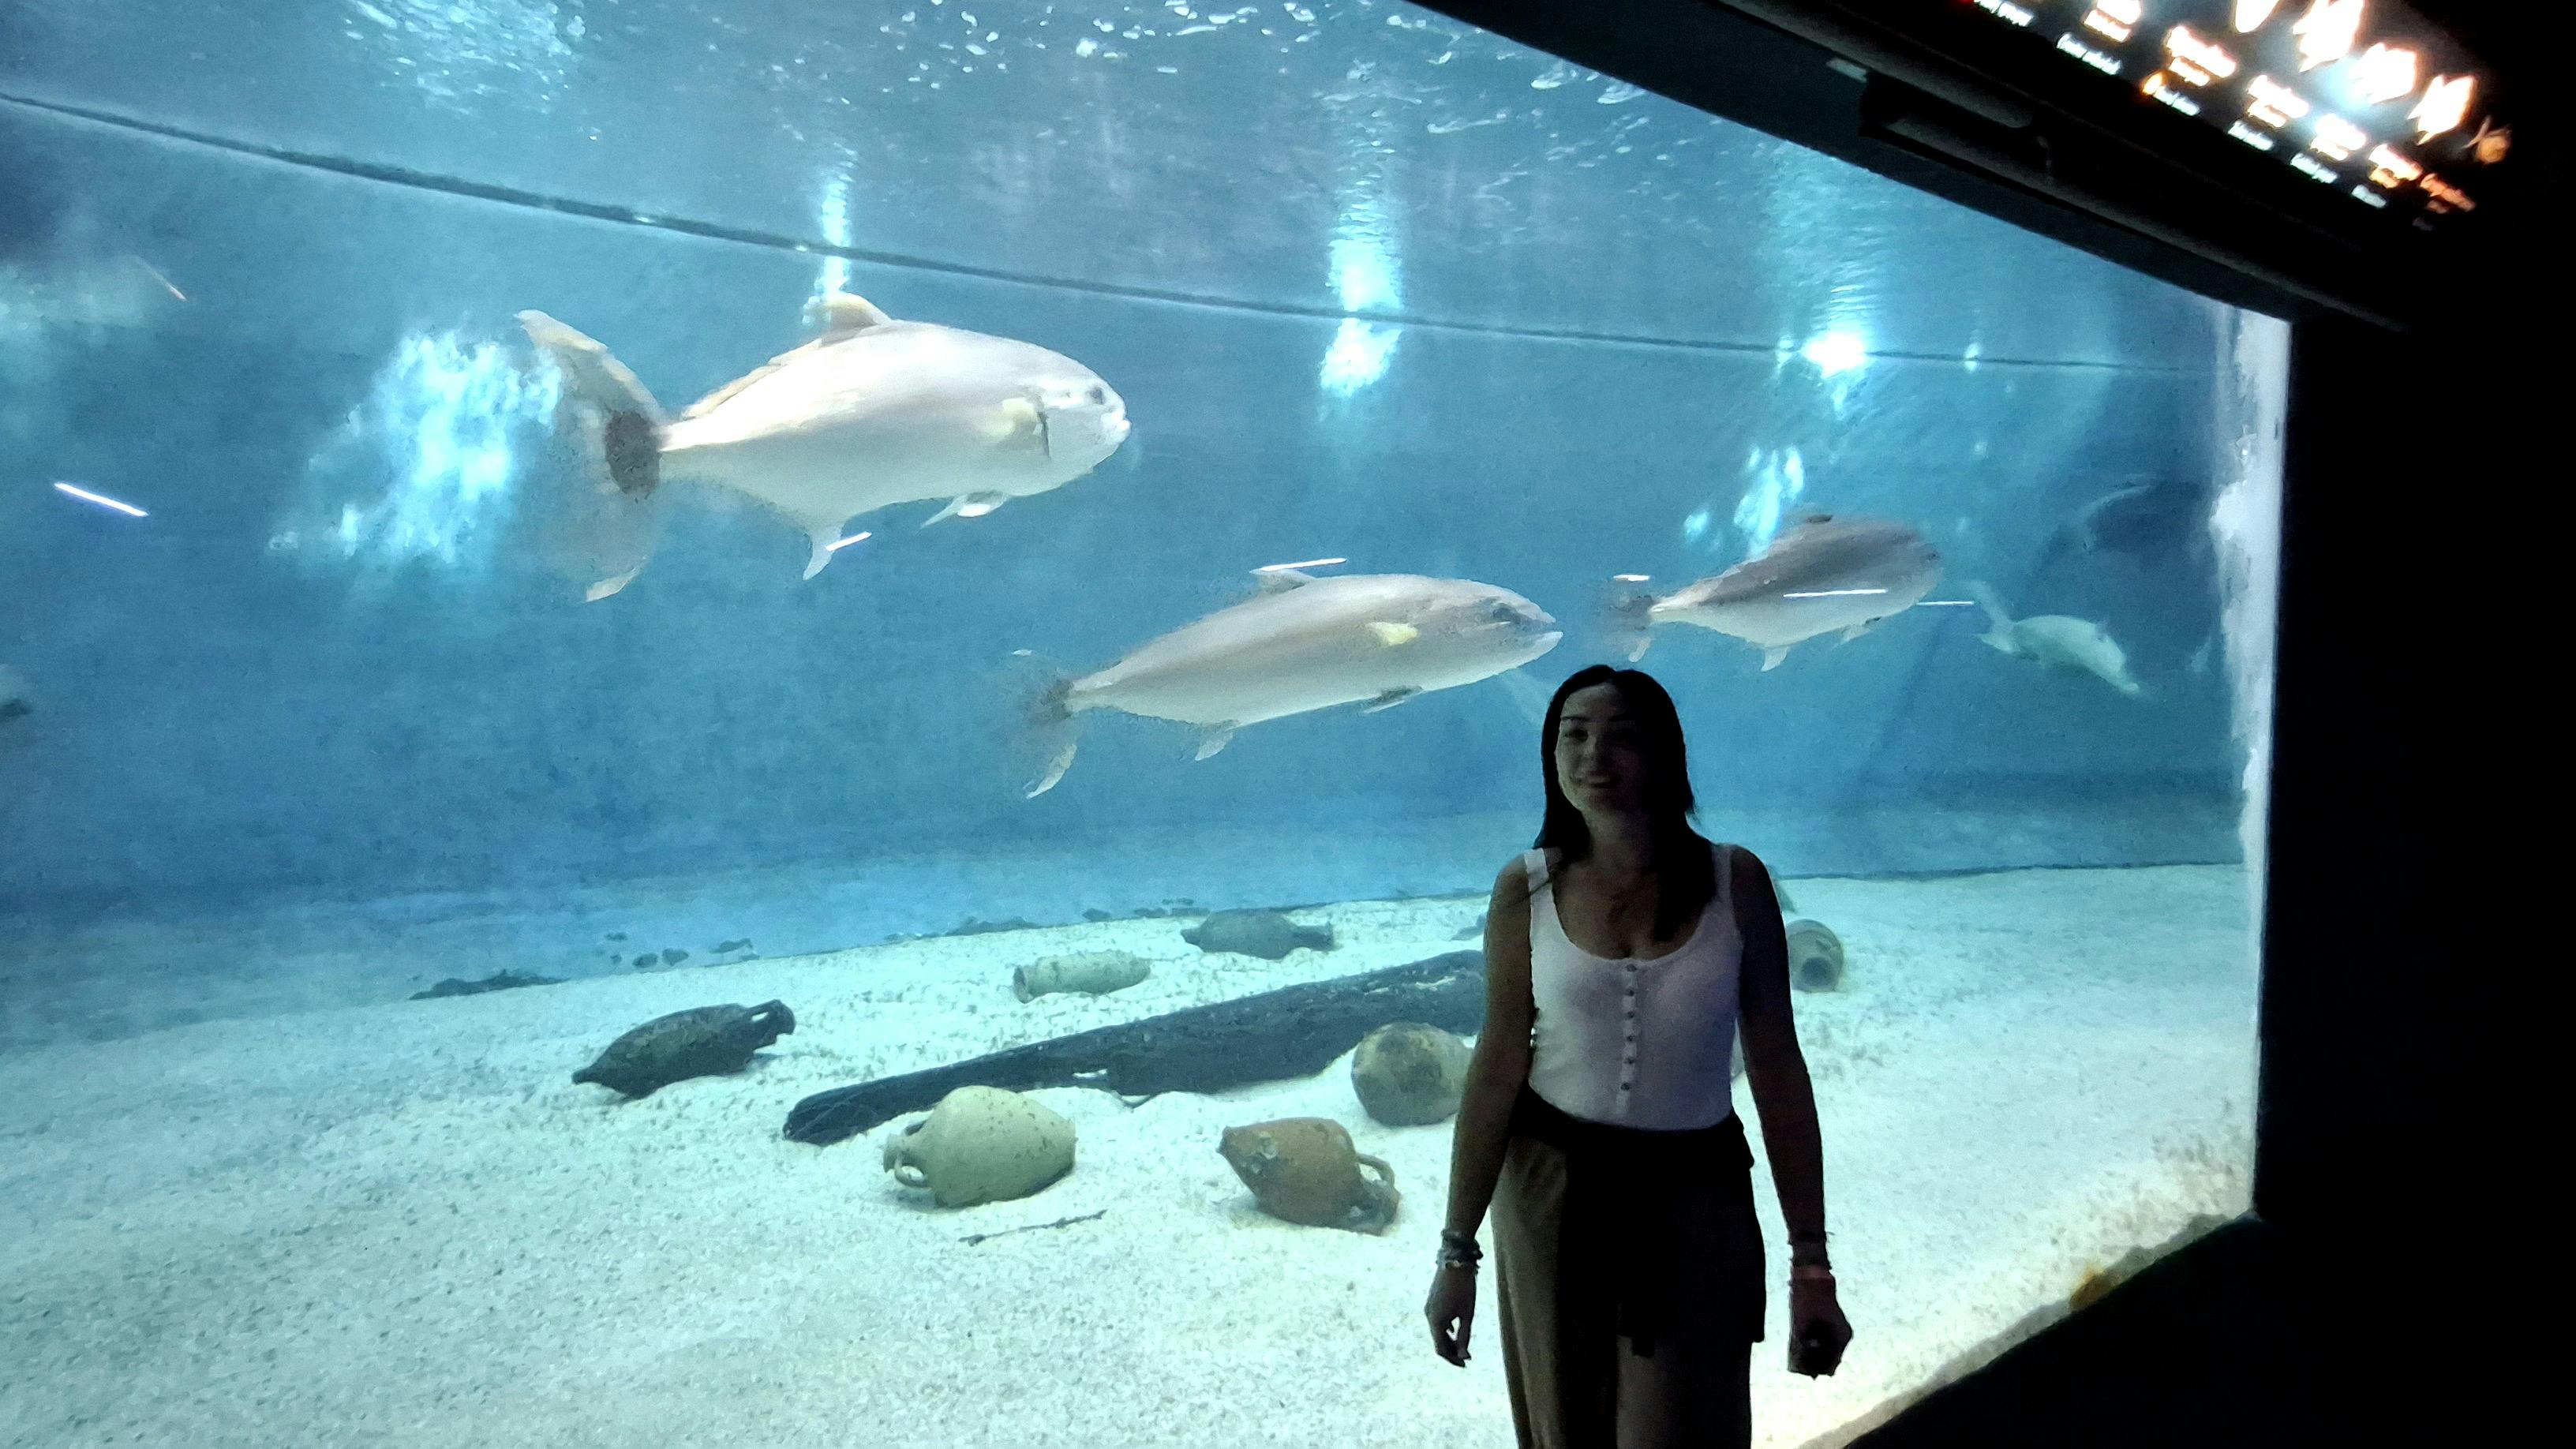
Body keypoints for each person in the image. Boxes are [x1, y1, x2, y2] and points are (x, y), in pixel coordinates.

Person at [1425, 664, 1852, 1448]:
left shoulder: (1737, 880)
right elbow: (1496, 1068)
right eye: (1574, 735)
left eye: (1621, 736)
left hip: (1696, 1195)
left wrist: (1812, 1266)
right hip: (1549, 1190)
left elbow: (1779, 1071)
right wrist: (1458, 1251)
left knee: (1686, 1425)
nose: (1594, 756)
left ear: (1665, 752)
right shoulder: (1525, 888)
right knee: (1563, 1425)